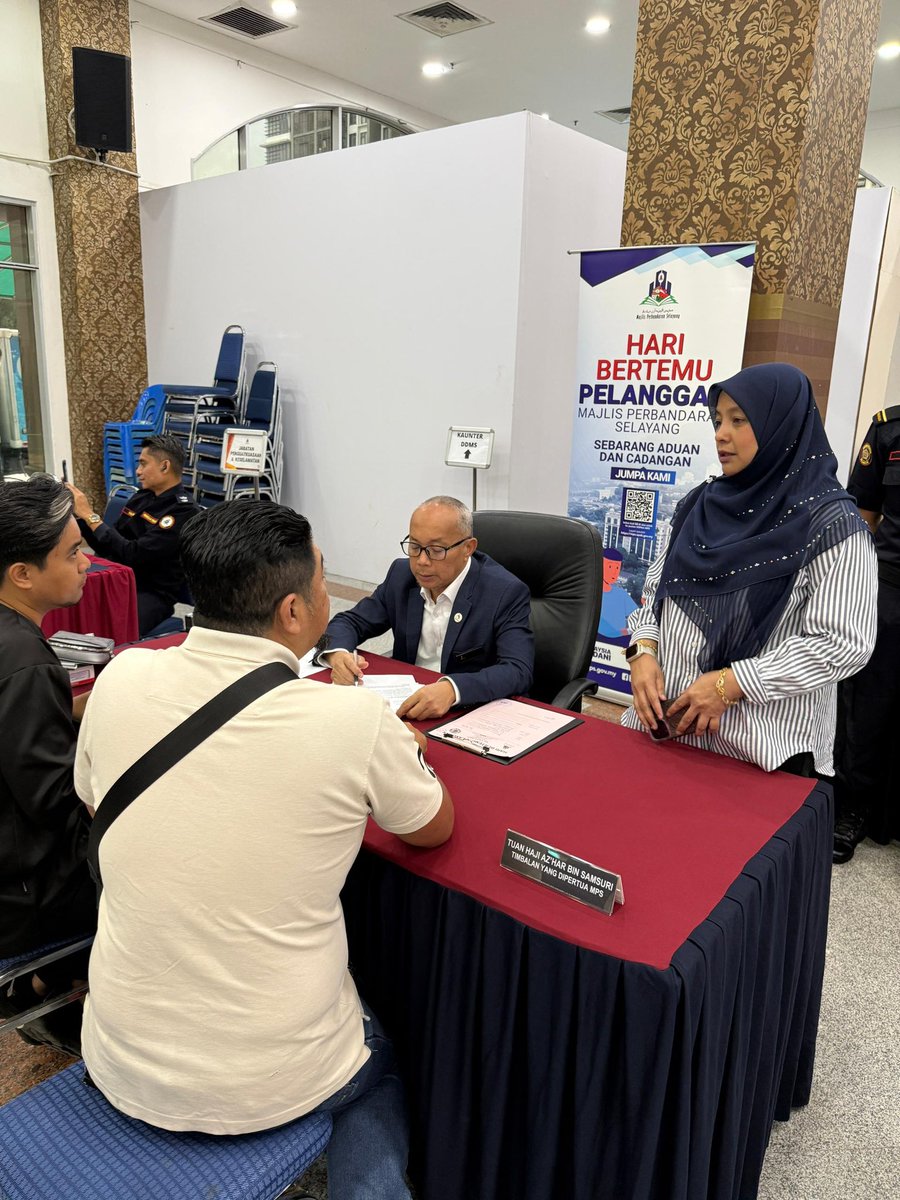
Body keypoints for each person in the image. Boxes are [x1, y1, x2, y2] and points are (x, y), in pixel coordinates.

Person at [75, 500, 453, 1195]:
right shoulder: (351, 720)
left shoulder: (121, 675)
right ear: (292, 611)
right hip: (272, 1078)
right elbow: (431, 826)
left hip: (114, 1049)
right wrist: (403, 752)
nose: (326, 589)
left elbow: (100, 802)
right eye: (320, 577)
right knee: (387, 1062)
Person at [622, 362, 877, 778]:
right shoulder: (698, 504)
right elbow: (654, 595)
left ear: (783, 427)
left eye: (739, 420)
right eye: (717, 419)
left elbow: (843, 643)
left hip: (759, 753)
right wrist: (643, 651)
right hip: (666, 734)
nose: (721, 433)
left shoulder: (831, 526)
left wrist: (731, 683)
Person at [0, 475, 97, 1053]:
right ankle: (49, 985)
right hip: (24, 887)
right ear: (22, 573)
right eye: (73, 552)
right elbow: (56, 800)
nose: (87, 561)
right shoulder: (25, 662)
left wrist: (77, 709)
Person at [323, 495, 534, 719]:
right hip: (407, 709)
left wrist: (453, 689)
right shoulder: (401, 575)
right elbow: (349, 622)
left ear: (468, 548)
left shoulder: (505, 592)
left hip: (468, 712)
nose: (422, 561)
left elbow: (517, 670)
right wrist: (338, 654)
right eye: (414, 546)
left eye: (436, 550)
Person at [831, 406, 900, 861]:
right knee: (867, 703)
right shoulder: (890, 428)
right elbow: (866, 513)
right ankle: (852, 806)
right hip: (892, 584)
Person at [67, 434, 200, 636]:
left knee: (108, 634)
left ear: (165, 467)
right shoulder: (141, 497)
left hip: (149, 592)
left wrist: (90, 515)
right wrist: (80, 519)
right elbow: (108, 544)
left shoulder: (183, 511)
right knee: (70, 606)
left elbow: (132, 554)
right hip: (117, 579)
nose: (137, 471)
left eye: (143, 464)